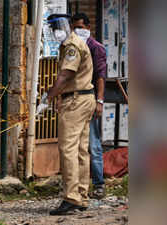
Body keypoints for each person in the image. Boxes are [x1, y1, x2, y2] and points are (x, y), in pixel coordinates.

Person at [44, 14, 96, 215]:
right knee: (82, 150)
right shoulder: (71, 44)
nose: (54, 31)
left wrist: (47, 98)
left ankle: (71, 198)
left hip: (76, 102)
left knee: (68, 149)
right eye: (53, 27)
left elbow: (66, 75)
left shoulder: (72, 46)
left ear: (65, 26)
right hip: (83, 98)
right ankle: (82, 196)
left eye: (57, 26)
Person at [72, 13, 107, 199]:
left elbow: (100, 77)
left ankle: (99, 183)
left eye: (79, 27)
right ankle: (77, 185)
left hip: (90, 99)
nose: (76, 31)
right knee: (76, 145)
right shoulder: (73, 47)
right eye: (74, 28)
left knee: (93, 144)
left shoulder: (96, 48)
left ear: (87, 27)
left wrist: (99, 101)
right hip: (75, 100)